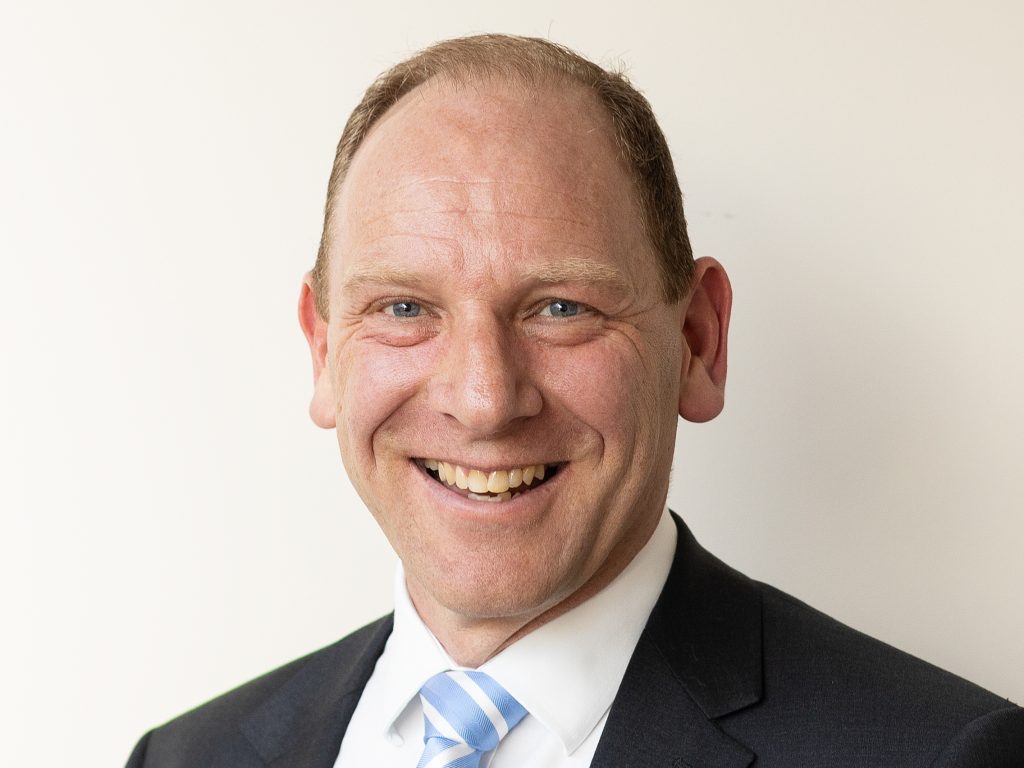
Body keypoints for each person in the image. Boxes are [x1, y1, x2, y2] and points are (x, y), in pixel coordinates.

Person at [126, 34, 1024, 767]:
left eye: (561, 308)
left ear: (697, 342)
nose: (484, 400)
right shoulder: (185, 758)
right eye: (403, 309)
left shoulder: (939, 754)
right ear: (324, 351)